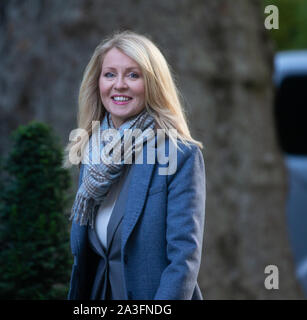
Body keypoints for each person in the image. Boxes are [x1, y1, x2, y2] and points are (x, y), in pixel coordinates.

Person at [63, 30, 206, 300]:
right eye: (110, 74)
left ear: (152, 84)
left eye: (133, 75)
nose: (119, 85)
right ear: (98, 83)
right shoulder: (91, 153)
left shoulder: (179, 155)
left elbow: (183, 261)